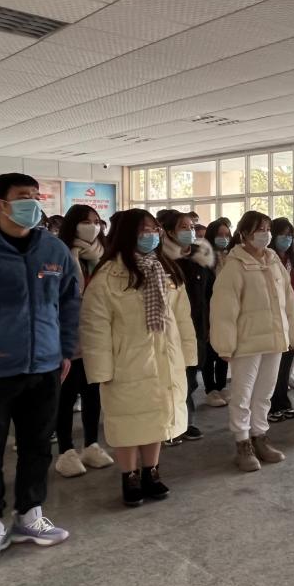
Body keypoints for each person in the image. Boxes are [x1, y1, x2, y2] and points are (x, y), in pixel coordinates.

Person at [0, 174, 79, 570]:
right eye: (24, 196)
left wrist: (65, 350)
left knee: (37, 443)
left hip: (45, 365)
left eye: (35, 196)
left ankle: (30, 513)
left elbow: (70, 302)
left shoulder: (53, 248)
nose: (33, 203)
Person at [81, 209, 196, 507]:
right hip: (127, 362)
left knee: (157, 416)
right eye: (144, 230)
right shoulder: (109, 276)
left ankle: (151, 471)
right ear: (127, 233)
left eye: (154, 229)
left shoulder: (166, 270)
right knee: (128, 421)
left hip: (165, 357)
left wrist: (187, 355)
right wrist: (101, 370)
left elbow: (182, 318)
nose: (151, 235)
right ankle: (129, 475)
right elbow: (95, 327)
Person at [211, 211, 294, 471]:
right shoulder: (234, 265)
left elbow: (289, 302)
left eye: (267, 228)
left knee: (264, 393)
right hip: (246, 342)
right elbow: (223, 309)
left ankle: (260, 435)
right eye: (259, 229)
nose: (265, 234)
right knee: (243, 395)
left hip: (274, 339)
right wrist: (224, 344)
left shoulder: (273, 261)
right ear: (244, 234)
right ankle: (243, 442)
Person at [53, 205, 114, 478]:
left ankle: (91, 444)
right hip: (68, 338)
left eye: (96, 221)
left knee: (93, 396)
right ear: (73, 225)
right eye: (86, 221)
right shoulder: (61, 254)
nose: (93, 226)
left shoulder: (104, 256)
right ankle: (66, 450)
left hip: (97, 337)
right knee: (65, 398)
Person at [161, 210, 215, 443]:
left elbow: (210, 294)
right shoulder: (161, 260)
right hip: (170, 328)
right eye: (183, 227)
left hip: (197, 326)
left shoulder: (200, 258)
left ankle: (184, 422)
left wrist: (210, 324)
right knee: (171, 377)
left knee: (190, 379)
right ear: (170, 232)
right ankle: (169, 426)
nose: (190, 231)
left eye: (191, 227)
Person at [267, 218, 294, 422]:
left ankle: (282, 400)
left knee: (285, 366)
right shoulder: (268, 260)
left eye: (290, 235)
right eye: (282, 235)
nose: (286, 239)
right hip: (275, 320)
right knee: (273, 366)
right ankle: (272, 404)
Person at [201, 218, 232, 406]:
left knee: (223, 349)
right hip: (209, 309)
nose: (224, 238)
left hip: (227, 309)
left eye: (227, 234)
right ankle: (210, 389)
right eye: (220, 234)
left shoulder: (231, 257)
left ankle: (221, 385)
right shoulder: (203, 258)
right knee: (209, 352)